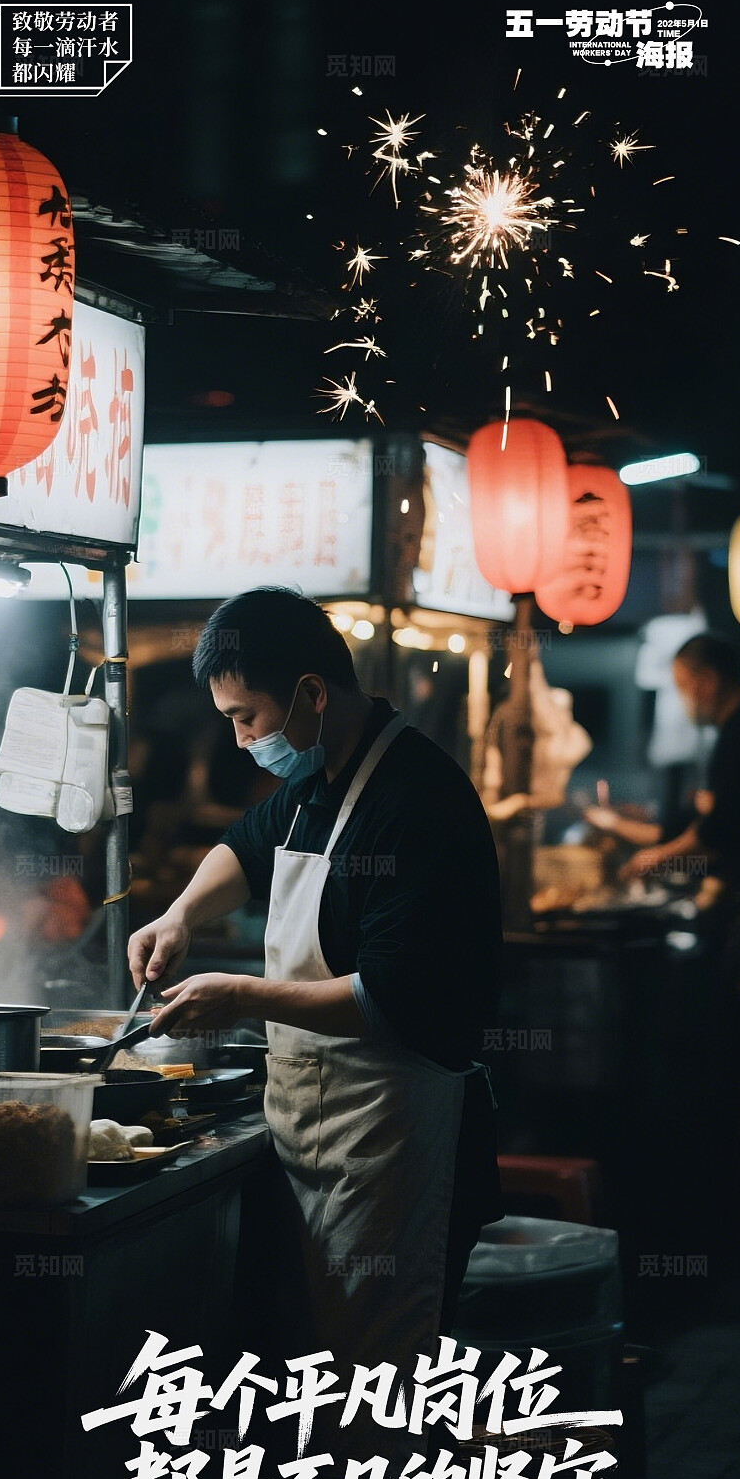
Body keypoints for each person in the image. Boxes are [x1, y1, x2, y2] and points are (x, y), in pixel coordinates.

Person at [128, 587, 504, 1392]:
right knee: (322, 1380)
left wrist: (241, 995)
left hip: (394, 1143)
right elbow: (247, 844)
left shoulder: (416, 801)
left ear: (310, 692)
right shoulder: (319, 781)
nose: (239, 739)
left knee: (381, 1388)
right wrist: (181, 914)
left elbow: (389, 999)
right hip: (316, 1137)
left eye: (247, 717)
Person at [621, 633, 740, 982]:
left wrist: (655, 857)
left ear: (707, 680)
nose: (682, 700)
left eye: (681, 686)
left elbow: (718, 830)